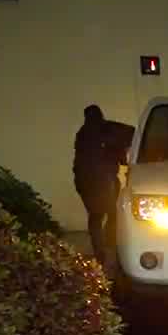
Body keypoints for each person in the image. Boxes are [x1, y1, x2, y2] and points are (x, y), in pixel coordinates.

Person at [73, 105, 130, 273]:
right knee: (112, 213)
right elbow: (130, 135)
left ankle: (101, 252)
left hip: (84, 181)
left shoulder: (82, 133)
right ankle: (109, 248)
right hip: (103, 180)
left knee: (96, 216)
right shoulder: (107, 129)